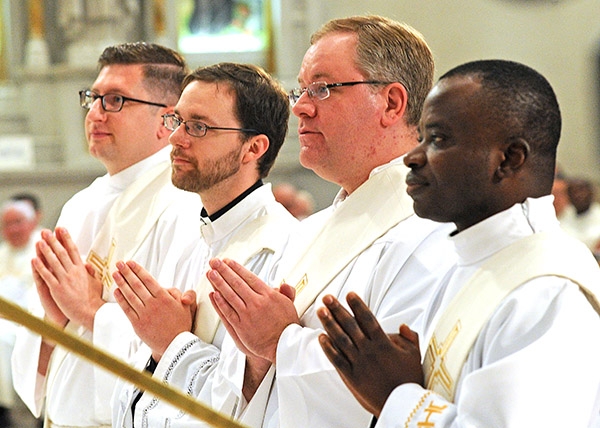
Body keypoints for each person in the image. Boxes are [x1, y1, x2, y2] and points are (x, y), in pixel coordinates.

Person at [317, 59, 600, 427]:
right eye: (420, 138)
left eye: (438, 139)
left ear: (509, 159)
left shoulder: (546, 293)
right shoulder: (472, 262)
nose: (412, 158)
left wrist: (397, 398)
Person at [204, 15, 456, 428]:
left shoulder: (431, 233)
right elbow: (247, 382)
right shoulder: (306, 232)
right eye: (300, 90)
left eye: (322, 89)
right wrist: (255, 358)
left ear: (392, 103)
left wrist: (277, 342)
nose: (300, 107)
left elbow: (399, 393)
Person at [11, 42, 202, 428]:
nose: (95, 113)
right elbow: (42, 355)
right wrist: (53, 321)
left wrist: (87, 311)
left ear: (167, 121)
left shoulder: (186, 207)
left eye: (115, 100)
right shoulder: (82, 203)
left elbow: (183, 349)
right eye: (93, 98)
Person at [109, 62, 298, 427]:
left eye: (197, 127)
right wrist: (156, 350)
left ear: (253, 147)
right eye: (176, 122)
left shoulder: (279, 248)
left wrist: (171, 341)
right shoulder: (187, 237)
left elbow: (252, 403)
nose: (176, 138)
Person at [0, 198, 40, 426]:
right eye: (7, 224)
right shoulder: (2, 253)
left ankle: (11, 407)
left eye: (18, 222)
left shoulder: (44, 245)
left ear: (32, 222)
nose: (12, 229)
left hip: (34, 320)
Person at [559, 177, 600, 250]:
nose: (577, 195)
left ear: (591, 193)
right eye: (573, 191)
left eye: (581, 190)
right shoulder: (565, 214)